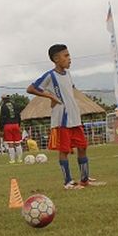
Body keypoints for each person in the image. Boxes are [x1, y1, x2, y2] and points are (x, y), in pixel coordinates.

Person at [27, 44, 106, 188]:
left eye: (69, 55)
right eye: (66, 56)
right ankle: (68, 182)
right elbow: (31, 89)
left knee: (82, 147)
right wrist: (50, 96)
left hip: (75, 118)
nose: (70, 59)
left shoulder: (67, 74)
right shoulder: (50, 75)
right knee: (64, 150)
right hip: (62, 119)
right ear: (56, 59)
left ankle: (84, 179)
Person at [0, 95, 23, 164]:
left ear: (2, 99)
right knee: (18, 143)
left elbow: (1, 118)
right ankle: (20, 159)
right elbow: (19, 116)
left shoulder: (2, 106)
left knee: (10, 143)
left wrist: (1, 129)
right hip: (16, 125)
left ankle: (12, 160)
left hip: (7, 125)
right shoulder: (15, 105)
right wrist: (19, 125)